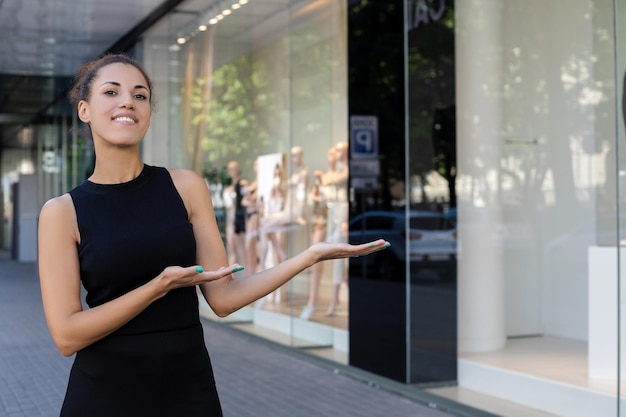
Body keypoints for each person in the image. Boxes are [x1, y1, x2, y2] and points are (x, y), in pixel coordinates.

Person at [37, 53, 391, 417]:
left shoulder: (186, 187)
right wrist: (157, 287)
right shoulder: (62, 212)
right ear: (84, 110)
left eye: (139, 95)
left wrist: (310, 255)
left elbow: (222, 299)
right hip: (105, 394)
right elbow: (67, 336)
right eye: (111, 92)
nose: (127, 101)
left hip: (187, 387)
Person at [223, 160, 247, 265]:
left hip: (238, 219)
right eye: (230, 169)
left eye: (233, 168)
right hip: (229, 220)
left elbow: (246, 201)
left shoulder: (242, 185)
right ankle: (231, 276)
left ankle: (247, 275)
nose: (231, 171)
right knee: (231, 248)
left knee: (240, 247)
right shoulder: (227, 188)